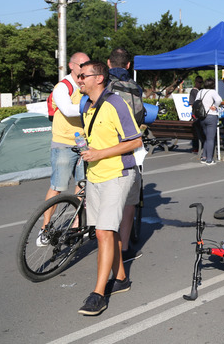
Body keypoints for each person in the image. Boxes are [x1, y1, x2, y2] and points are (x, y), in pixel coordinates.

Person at [76, 60, 143, 316]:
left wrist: (100, 153)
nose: (79, 79)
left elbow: (135, 141)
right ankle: (122, 279)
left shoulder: (116, 103)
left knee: (104, 233)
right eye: (78, 75)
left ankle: (98, 293)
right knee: (107, 232)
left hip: (118, 175)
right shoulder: (88, 106)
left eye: (84, 76)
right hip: (95, 176)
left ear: (99, 78)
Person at [39, 51, 90, 237]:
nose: (84, 68)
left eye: (87, 65)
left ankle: (77, 223)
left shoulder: (87, 84)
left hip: (83, 141)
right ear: (71, 66)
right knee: (58, 186)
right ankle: (45, 228)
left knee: (82, 183)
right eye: (81, 65)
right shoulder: (63, 86)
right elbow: (68, 110)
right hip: (63, 142)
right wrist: (92, 106)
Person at [106, 47, 144, 263]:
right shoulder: (135, 87)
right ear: (129, 65)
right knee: (130, 199)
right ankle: (124, 246)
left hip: (102, 145)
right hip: (129, 145)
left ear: (109, 63)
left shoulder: (103, 85)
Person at [194, 78, 222, 164]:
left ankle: (204, 156)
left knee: (206, 137)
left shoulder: (200, 91)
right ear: (213, 84)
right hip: (211, 115)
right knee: (210, 138)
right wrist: (215, 106)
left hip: (202, 117)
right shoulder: (212, 92)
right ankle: (209, 159)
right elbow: (219, 100)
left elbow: (196, 102)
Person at [188, 77, 206, 154]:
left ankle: (200, 146)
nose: (200, 83)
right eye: (199, 82)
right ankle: (196, 147)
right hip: (197, 114)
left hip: (202, 114)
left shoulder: (201, 90)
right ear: (195, 82)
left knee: (201, 131)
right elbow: (191, 104)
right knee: (197, 131)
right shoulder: (193, 91)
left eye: (201, 82)